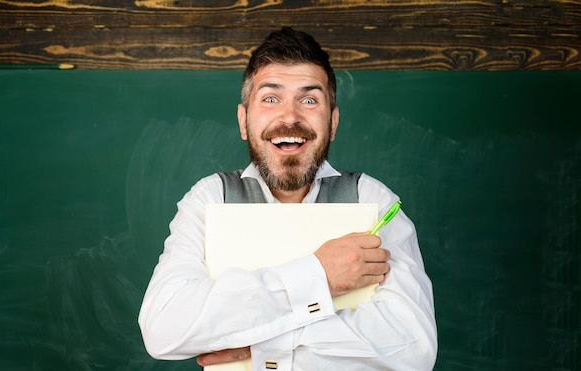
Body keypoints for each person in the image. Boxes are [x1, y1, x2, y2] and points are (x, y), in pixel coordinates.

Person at [138, 27, 437, 370]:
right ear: (243, 120)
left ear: (333, 122)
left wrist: (257, 340)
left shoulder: (371, 200)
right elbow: (164, 330)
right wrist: (320, 275)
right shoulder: (209, 199)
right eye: (270, 98)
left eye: (309, 100)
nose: (290, 116)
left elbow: (414, 349)